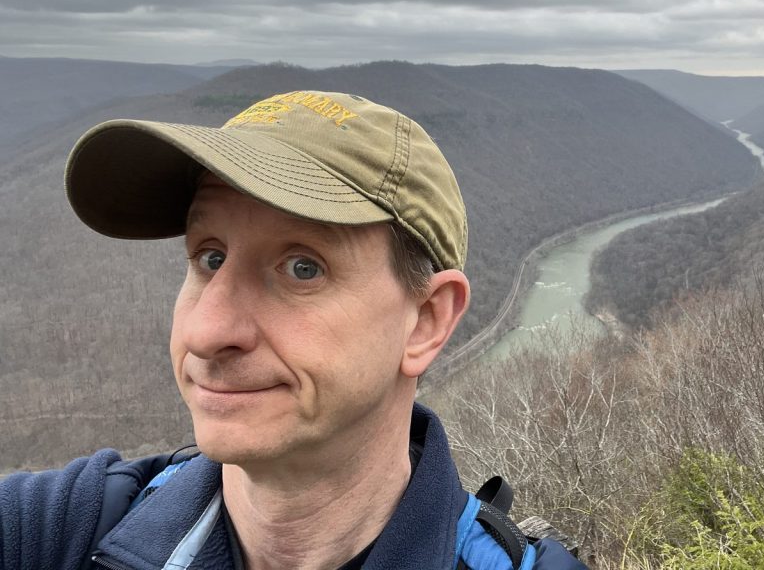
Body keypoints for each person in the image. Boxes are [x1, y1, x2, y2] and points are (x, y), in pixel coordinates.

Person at [0, 90, 587, 570]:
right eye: (209, 256)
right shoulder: (65, 528)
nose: (207, 332)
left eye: (303, 267)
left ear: (425, 322)